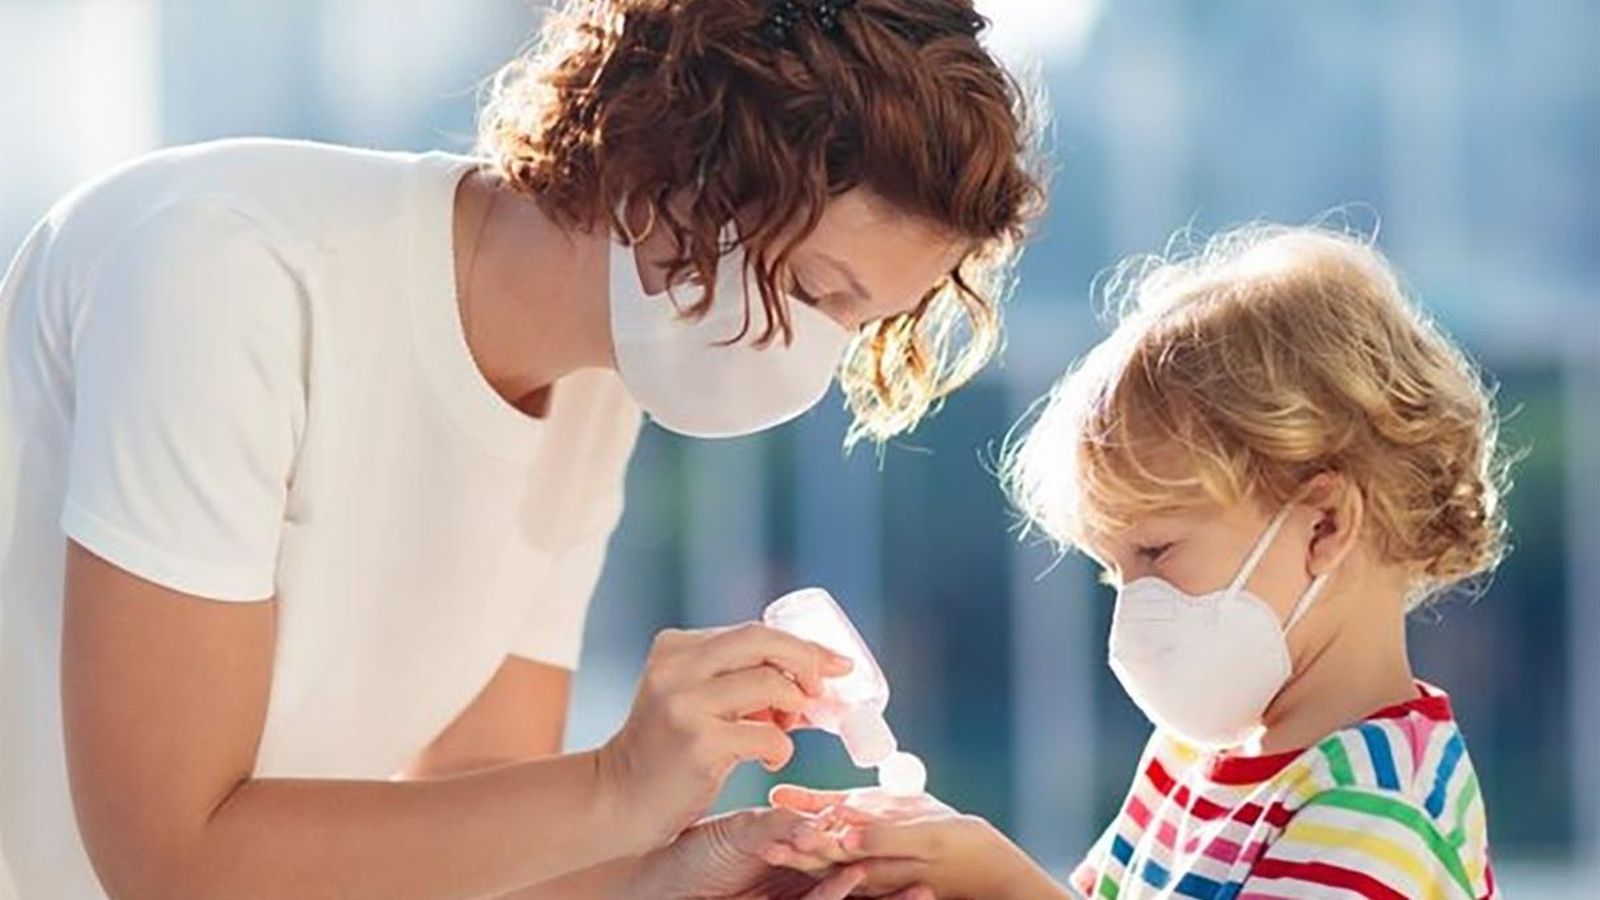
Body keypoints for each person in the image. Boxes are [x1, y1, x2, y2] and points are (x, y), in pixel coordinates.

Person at [0, 0, 1042, 895]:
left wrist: (692, 871)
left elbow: (475, 807)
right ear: (673, 164)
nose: (814, 368)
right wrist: (617, 785)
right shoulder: (228, 273)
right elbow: (171, 862)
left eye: (857, 327)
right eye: (815, 291)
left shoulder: (593, 386)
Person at [773, 225, 1505, 899]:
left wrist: (1002, 883)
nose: (1132, 610)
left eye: (1157, 551)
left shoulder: (1380, 811)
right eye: (1113, 569)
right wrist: (935, 864)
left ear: (1325, 524)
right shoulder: (1192, 754)